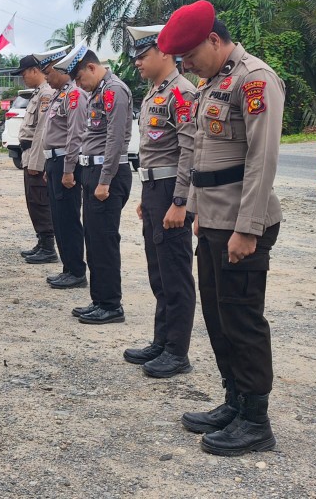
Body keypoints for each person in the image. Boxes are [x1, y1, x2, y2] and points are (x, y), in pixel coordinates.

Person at [157, 0, 284, 456]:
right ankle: (234, 399)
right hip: (212, 222)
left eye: (190, 55)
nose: (185, 65)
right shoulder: (214, 82)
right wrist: (193, 209)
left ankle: (256, 419)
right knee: (217, 316)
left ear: (214, 39)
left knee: (242, 319)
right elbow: (204, 154)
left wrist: (247, 228)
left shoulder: (254, 79)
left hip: (240, 224)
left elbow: (261, 159)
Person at [122, 25, 197, 378]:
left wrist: (180, 200)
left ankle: (177, 352)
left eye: (142, 56)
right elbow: (152, 152)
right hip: (154, 190)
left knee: (176, 273)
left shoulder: (181, 92)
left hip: (172, 192)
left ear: (165, 53)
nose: (137, 62)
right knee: (159, 271)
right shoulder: (155, 92)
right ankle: (161, 340)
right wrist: (144, 194)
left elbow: (188, 151)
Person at [55, 40, 133, 324]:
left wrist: (105, 181)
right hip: (92, 172)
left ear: (91, 67)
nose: (79, 84)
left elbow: (114, 139)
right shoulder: (99, 91)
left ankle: (111, 305)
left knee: (105, 240)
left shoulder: (114, 91)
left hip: (107, 175)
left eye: (79, 78)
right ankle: (99, 300)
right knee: (94, 239)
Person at [33, 45, 89, 287]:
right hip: (54, 161)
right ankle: (68, 267)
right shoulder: (59, 95)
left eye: (49, 73)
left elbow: (75, 136)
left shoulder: (74, 95)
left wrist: (68, 169)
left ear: (61, 69)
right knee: (59, 218)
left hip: (66, 163)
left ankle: (76, 271)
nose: (46, 78)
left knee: (68, 219)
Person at [14, 54, 57, 264]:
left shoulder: (47, 93)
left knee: (40, 201)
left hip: (35, 154)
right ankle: (42, 241)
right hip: (28, 153)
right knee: (33, 200)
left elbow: (42, 130)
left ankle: (49, 246)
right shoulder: (38, 93)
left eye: (24, 74)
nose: (23, 78)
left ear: (34, 70)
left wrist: (37, 163)